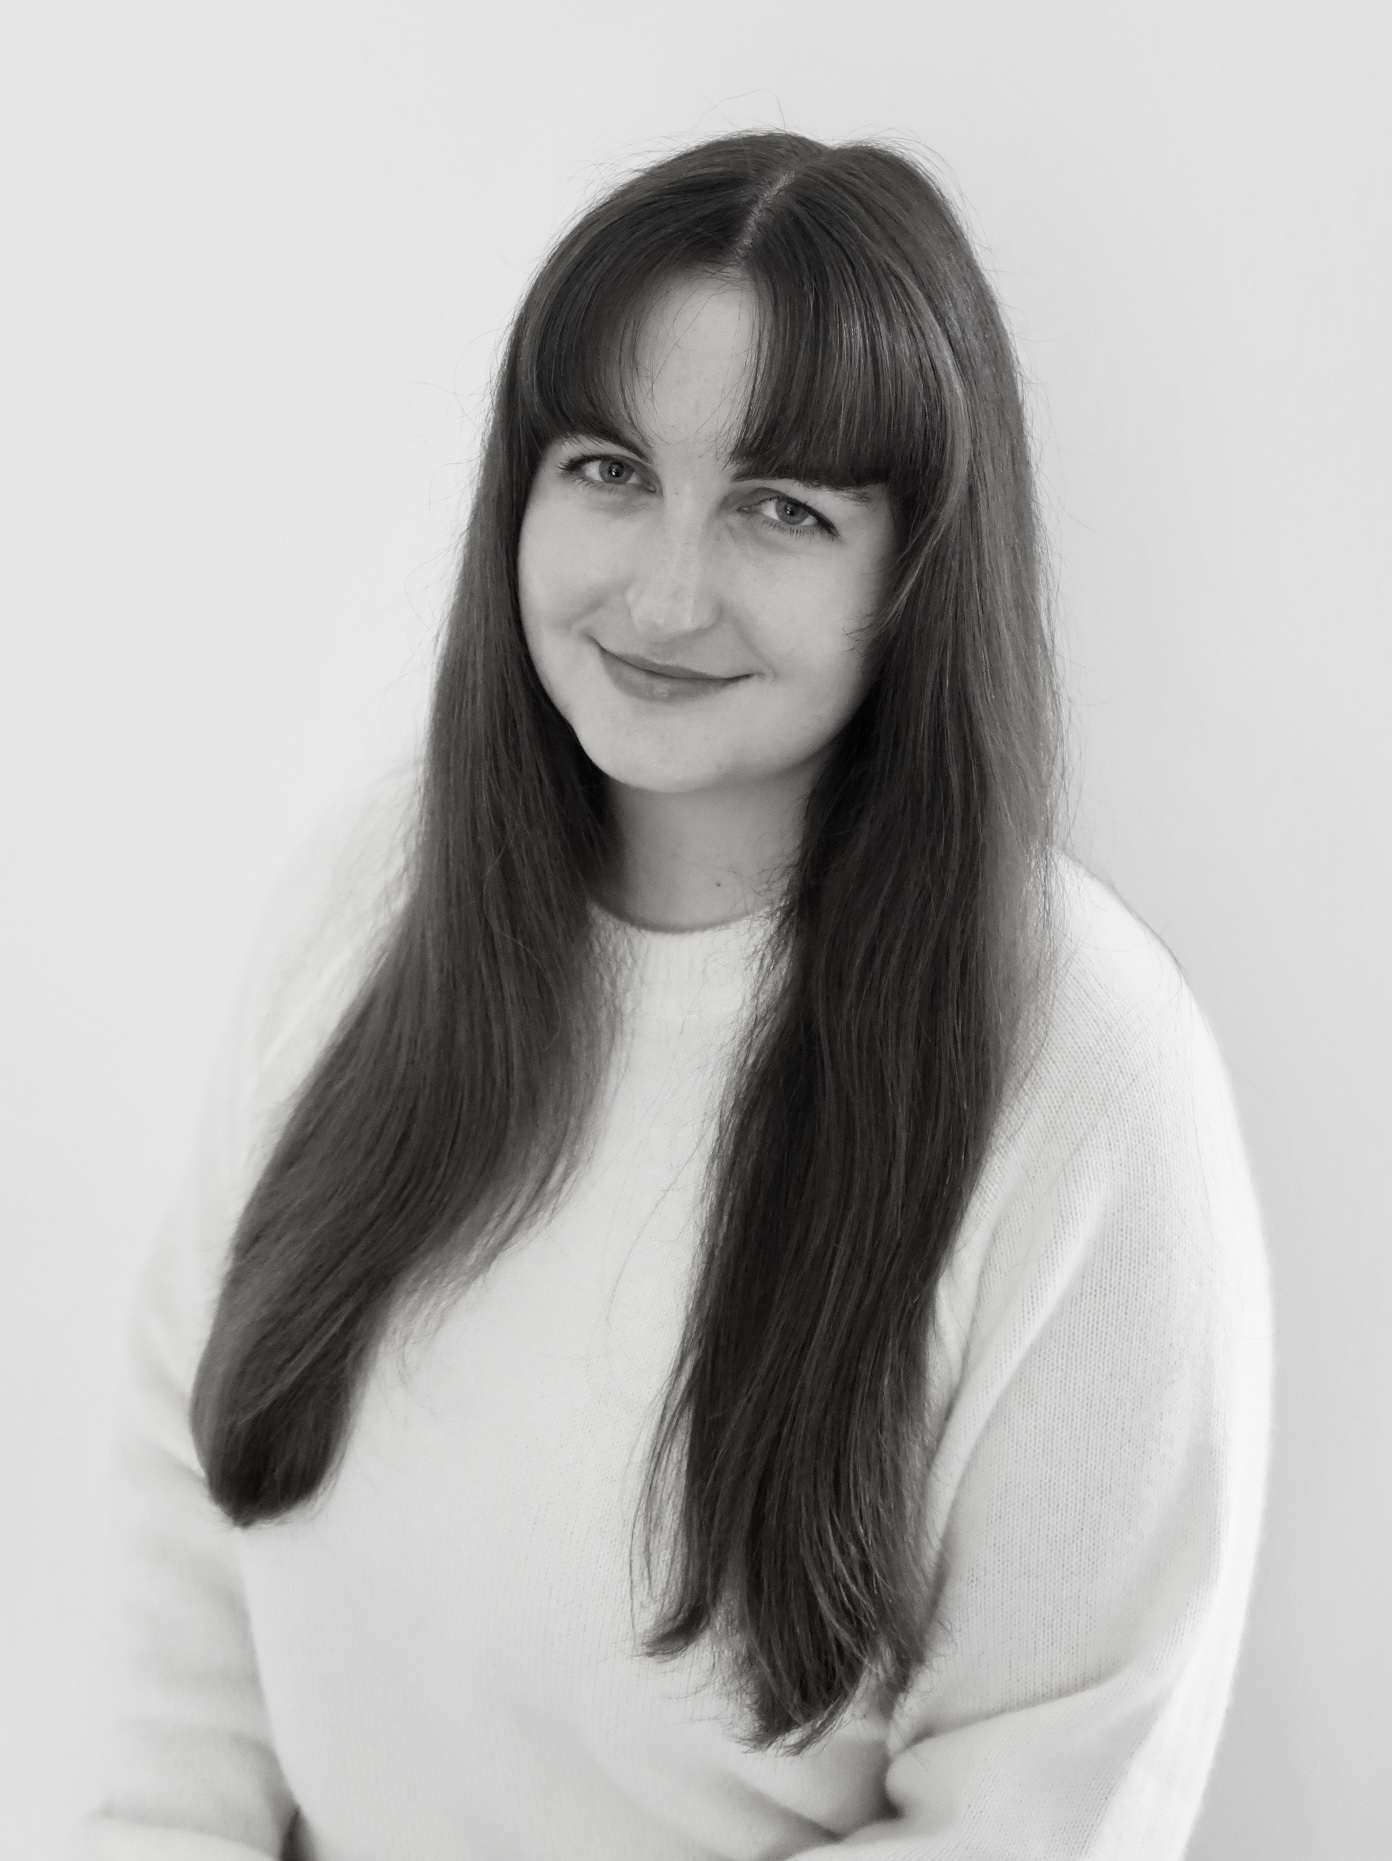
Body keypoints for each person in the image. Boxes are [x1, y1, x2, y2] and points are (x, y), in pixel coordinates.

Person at [73, 131, 1273, 1861]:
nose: (665, 588)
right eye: (610, 468)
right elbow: (188, 1483)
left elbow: (1041, 1801)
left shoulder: (1085, 1070)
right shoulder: (375, 895)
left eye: (782, 507)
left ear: (914, 568)